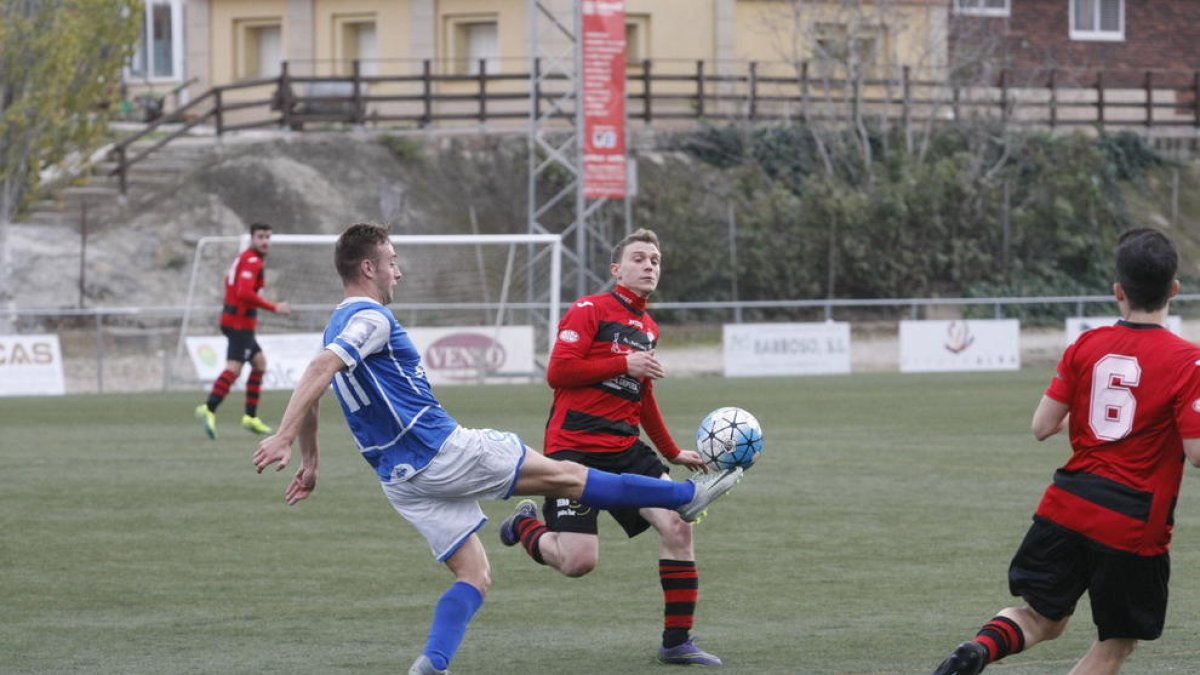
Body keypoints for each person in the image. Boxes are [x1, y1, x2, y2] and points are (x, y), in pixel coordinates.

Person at [250, 222, 742, 675]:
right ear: (369, 268)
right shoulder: (372, 318)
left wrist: (311, 461)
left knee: (475, 575)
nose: (398, 270)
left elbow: (314, 379)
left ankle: (432, 663)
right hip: (444, 450)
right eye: (393, 261)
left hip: (401, 481)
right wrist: (285, 436)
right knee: (569, 477)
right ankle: (684, 497)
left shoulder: (333, 325)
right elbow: (318, 372)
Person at [932, 227, 1200, 675]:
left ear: (1118, 291)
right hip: (1133, 521)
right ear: (1174, 289)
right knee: (1115, 644)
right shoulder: (1187, 361)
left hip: (1067, 505)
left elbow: (1041, 427)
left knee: (1041, 619)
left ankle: (978, 650)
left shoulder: (1087, 345)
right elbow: (1196, 452)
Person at [496, 228, 726, 666]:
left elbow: (644, 398)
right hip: (573, 452)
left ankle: (677, 641)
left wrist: (673, 452)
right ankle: (524, 524)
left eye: (655, 260)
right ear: (617, 269)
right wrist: (624, 361)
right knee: (578, 562)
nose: (649, 266)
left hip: (626, 449)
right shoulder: (589, 309)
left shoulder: (649, 327)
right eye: (639, 258)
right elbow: (559, 372)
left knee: (679, 526)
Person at [195, 222, 292, 439]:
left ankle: (250, 416)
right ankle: (208, 408)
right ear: (252, 239)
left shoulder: (247, 259)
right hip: (239, 324)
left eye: (268, 236)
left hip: (238, 322)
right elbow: (244, 293)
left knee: (260, 363)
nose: (265, 241)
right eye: (260, 237)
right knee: (234, 369)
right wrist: (274, 307)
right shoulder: (252, 261)